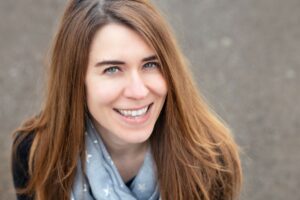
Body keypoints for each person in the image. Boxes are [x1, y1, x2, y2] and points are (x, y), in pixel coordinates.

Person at [11, 0, 243, 199]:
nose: (139, 91)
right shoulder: (36, 152)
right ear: (75, 81)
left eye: (150, 64)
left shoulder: (210, 158)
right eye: (112, 69)